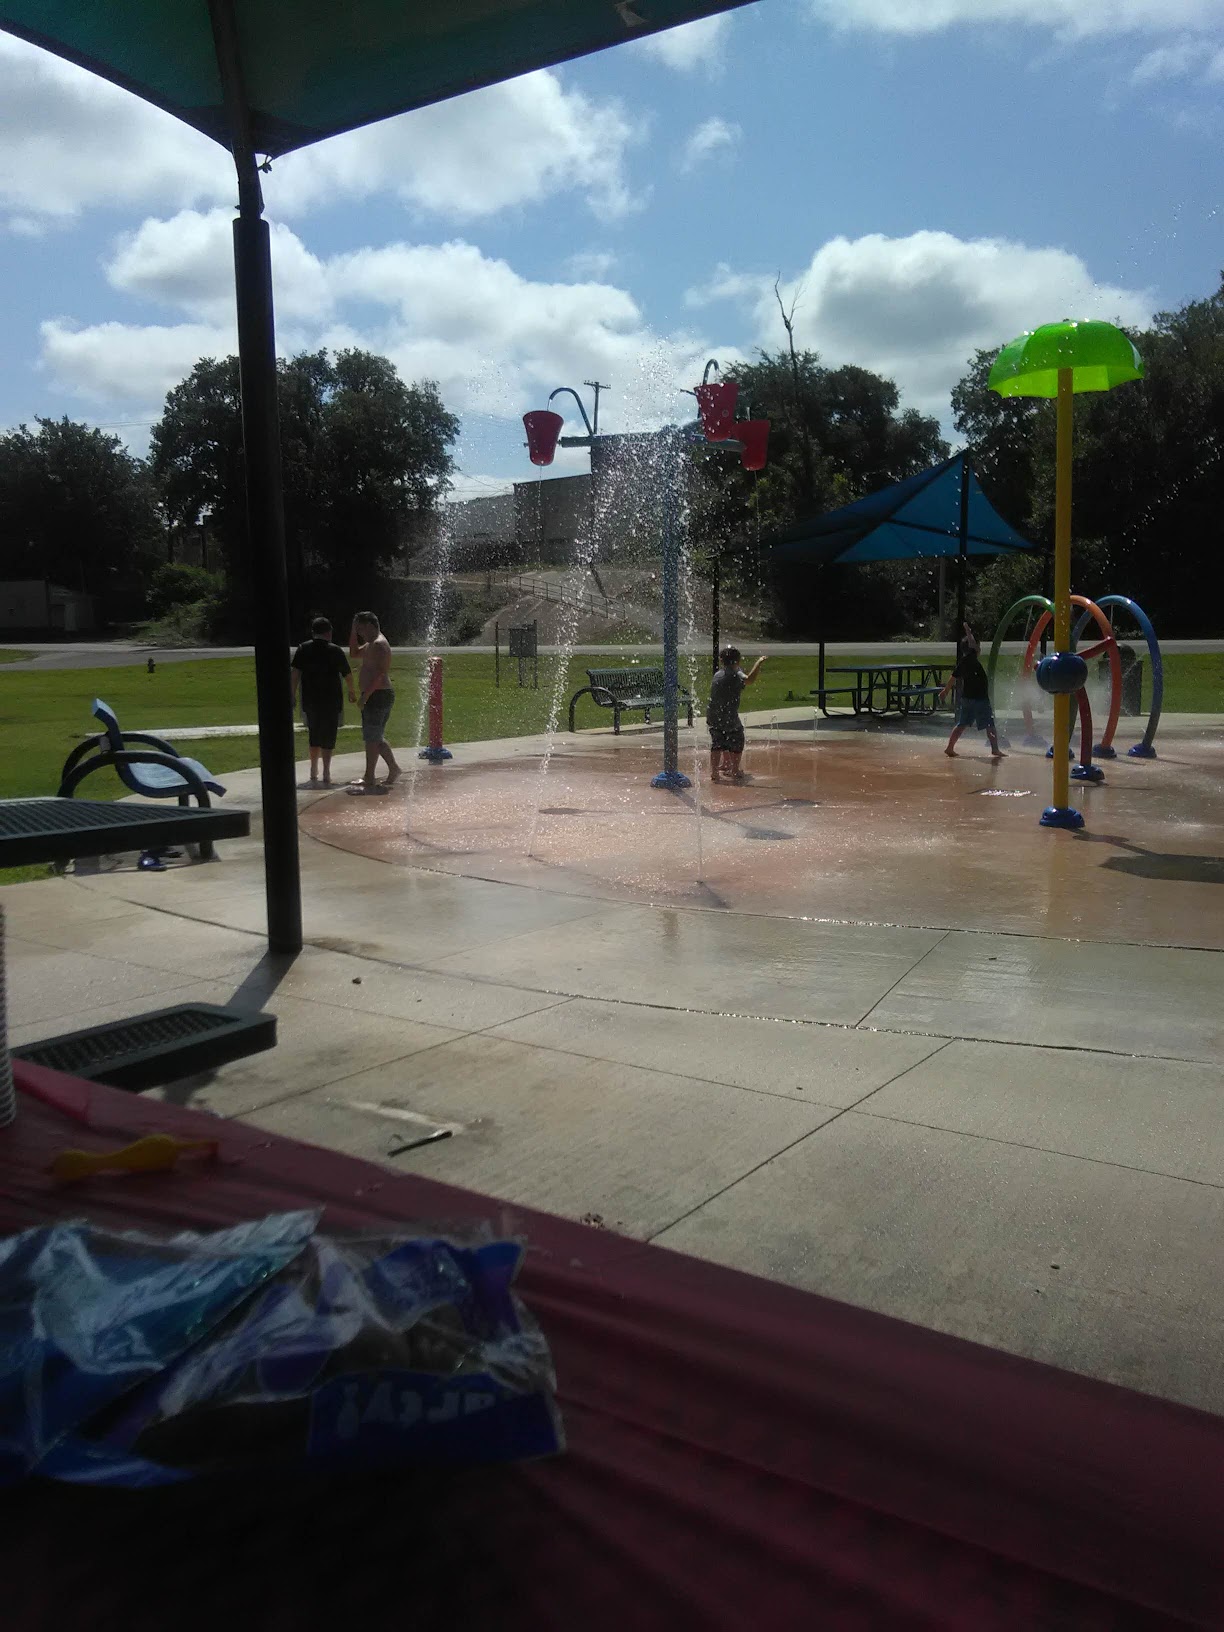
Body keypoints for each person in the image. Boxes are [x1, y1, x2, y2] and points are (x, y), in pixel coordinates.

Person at [291, 615, 357, 787]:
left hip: (311, 699)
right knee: (329, 735)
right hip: (331, 699)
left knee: (314, 733)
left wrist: (292, 694)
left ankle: (313, 768)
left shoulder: (303, 648)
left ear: (313, 632)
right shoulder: (335, 650)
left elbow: (295, 673)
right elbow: (347, 674)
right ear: (329, 632)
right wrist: (351, 691)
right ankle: (326, 771)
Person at [349, 610, 401, 793]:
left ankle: (370, 776)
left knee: (372, 738)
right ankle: (393, 768)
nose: (360, 633)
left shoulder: (379, 644)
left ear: (371, 626)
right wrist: (353, 631)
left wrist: (366, 696)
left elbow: (380, 674)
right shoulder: (371, 644)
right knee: (375, 736)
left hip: (378, 695)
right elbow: (354, 653)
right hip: (374, 695)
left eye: (361, 629)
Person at [939, 630, 1004, 761]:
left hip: (967, 699)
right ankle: (995, 749)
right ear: (973, 648)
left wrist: (945, 691)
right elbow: (973, 644)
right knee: (989, 724)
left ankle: (950, 747)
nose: (979, 648)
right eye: (978, 646)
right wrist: (968, 630)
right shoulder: (972, 657)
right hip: (980, 699)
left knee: (961, 724)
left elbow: (953, 677)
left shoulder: (963, 662)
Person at [708, 646, 766, 783]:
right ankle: (734, 770)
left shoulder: (718, 674)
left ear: (721, 661)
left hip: (713, 714)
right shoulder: (736, 674)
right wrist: (758, 663)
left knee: (718, 742)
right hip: (728, 715)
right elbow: (749, 680)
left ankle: (715, 772)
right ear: (738, 661)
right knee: (737, 739)